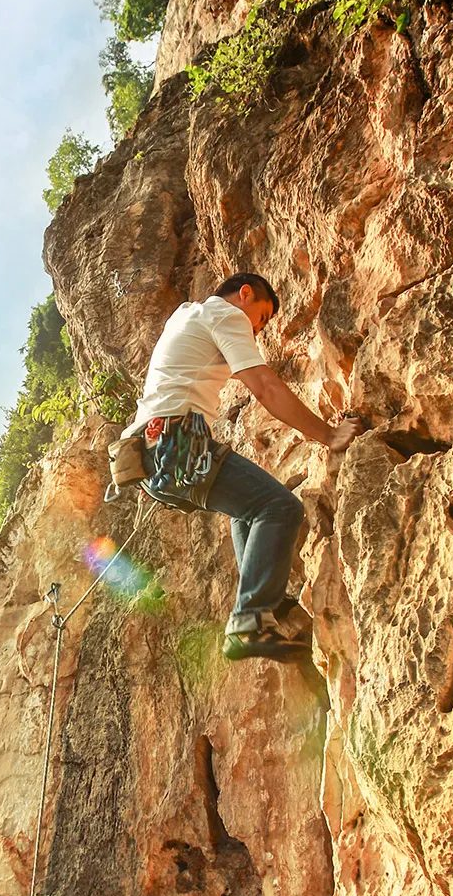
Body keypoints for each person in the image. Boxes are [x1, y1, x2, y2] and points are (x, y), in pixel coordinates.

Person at [119, 273, 363, 662]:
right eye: (260, 318)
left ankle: (264, 601)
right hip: (175, 441)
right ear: (245, 294)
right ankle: (249, 621)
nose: (257, 330)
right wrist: (328, 434)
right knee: (280, 507)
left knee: (246, 510)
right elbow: (265, 387)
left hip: (147, 460)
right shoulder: (225, 314)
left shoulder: (185, 316)